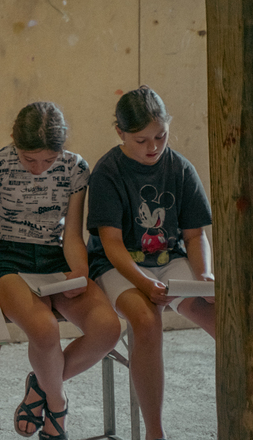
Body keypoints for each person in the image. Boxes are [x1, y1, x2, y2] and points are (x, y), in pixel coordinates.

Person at [0, 102, 121, 440]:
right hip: (7, 257)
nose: (39, 169)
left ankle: (40, 385)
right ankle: (57, 404)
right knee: (44, 329)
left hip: (56, 256)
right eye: (30, 159)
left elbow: (72, 234)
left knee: (107, 328)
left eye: (48, 160)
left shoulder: (75, 167)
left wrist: (79, 270)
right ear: (15, 142)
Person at [87, 86, 215, 440]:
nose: (153, 147)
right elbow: (112, 245)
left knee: (222, 314)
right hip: (117, 264)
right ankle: (154, 432)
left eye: (160, 136)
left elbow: (194, 236)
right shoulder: (108, 171)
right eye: (141, 140)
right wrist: (144, 283)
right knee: (145, 320)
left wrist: (204, 276)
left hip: (167, 257)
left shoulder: (180, 168)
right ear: (120, 133)